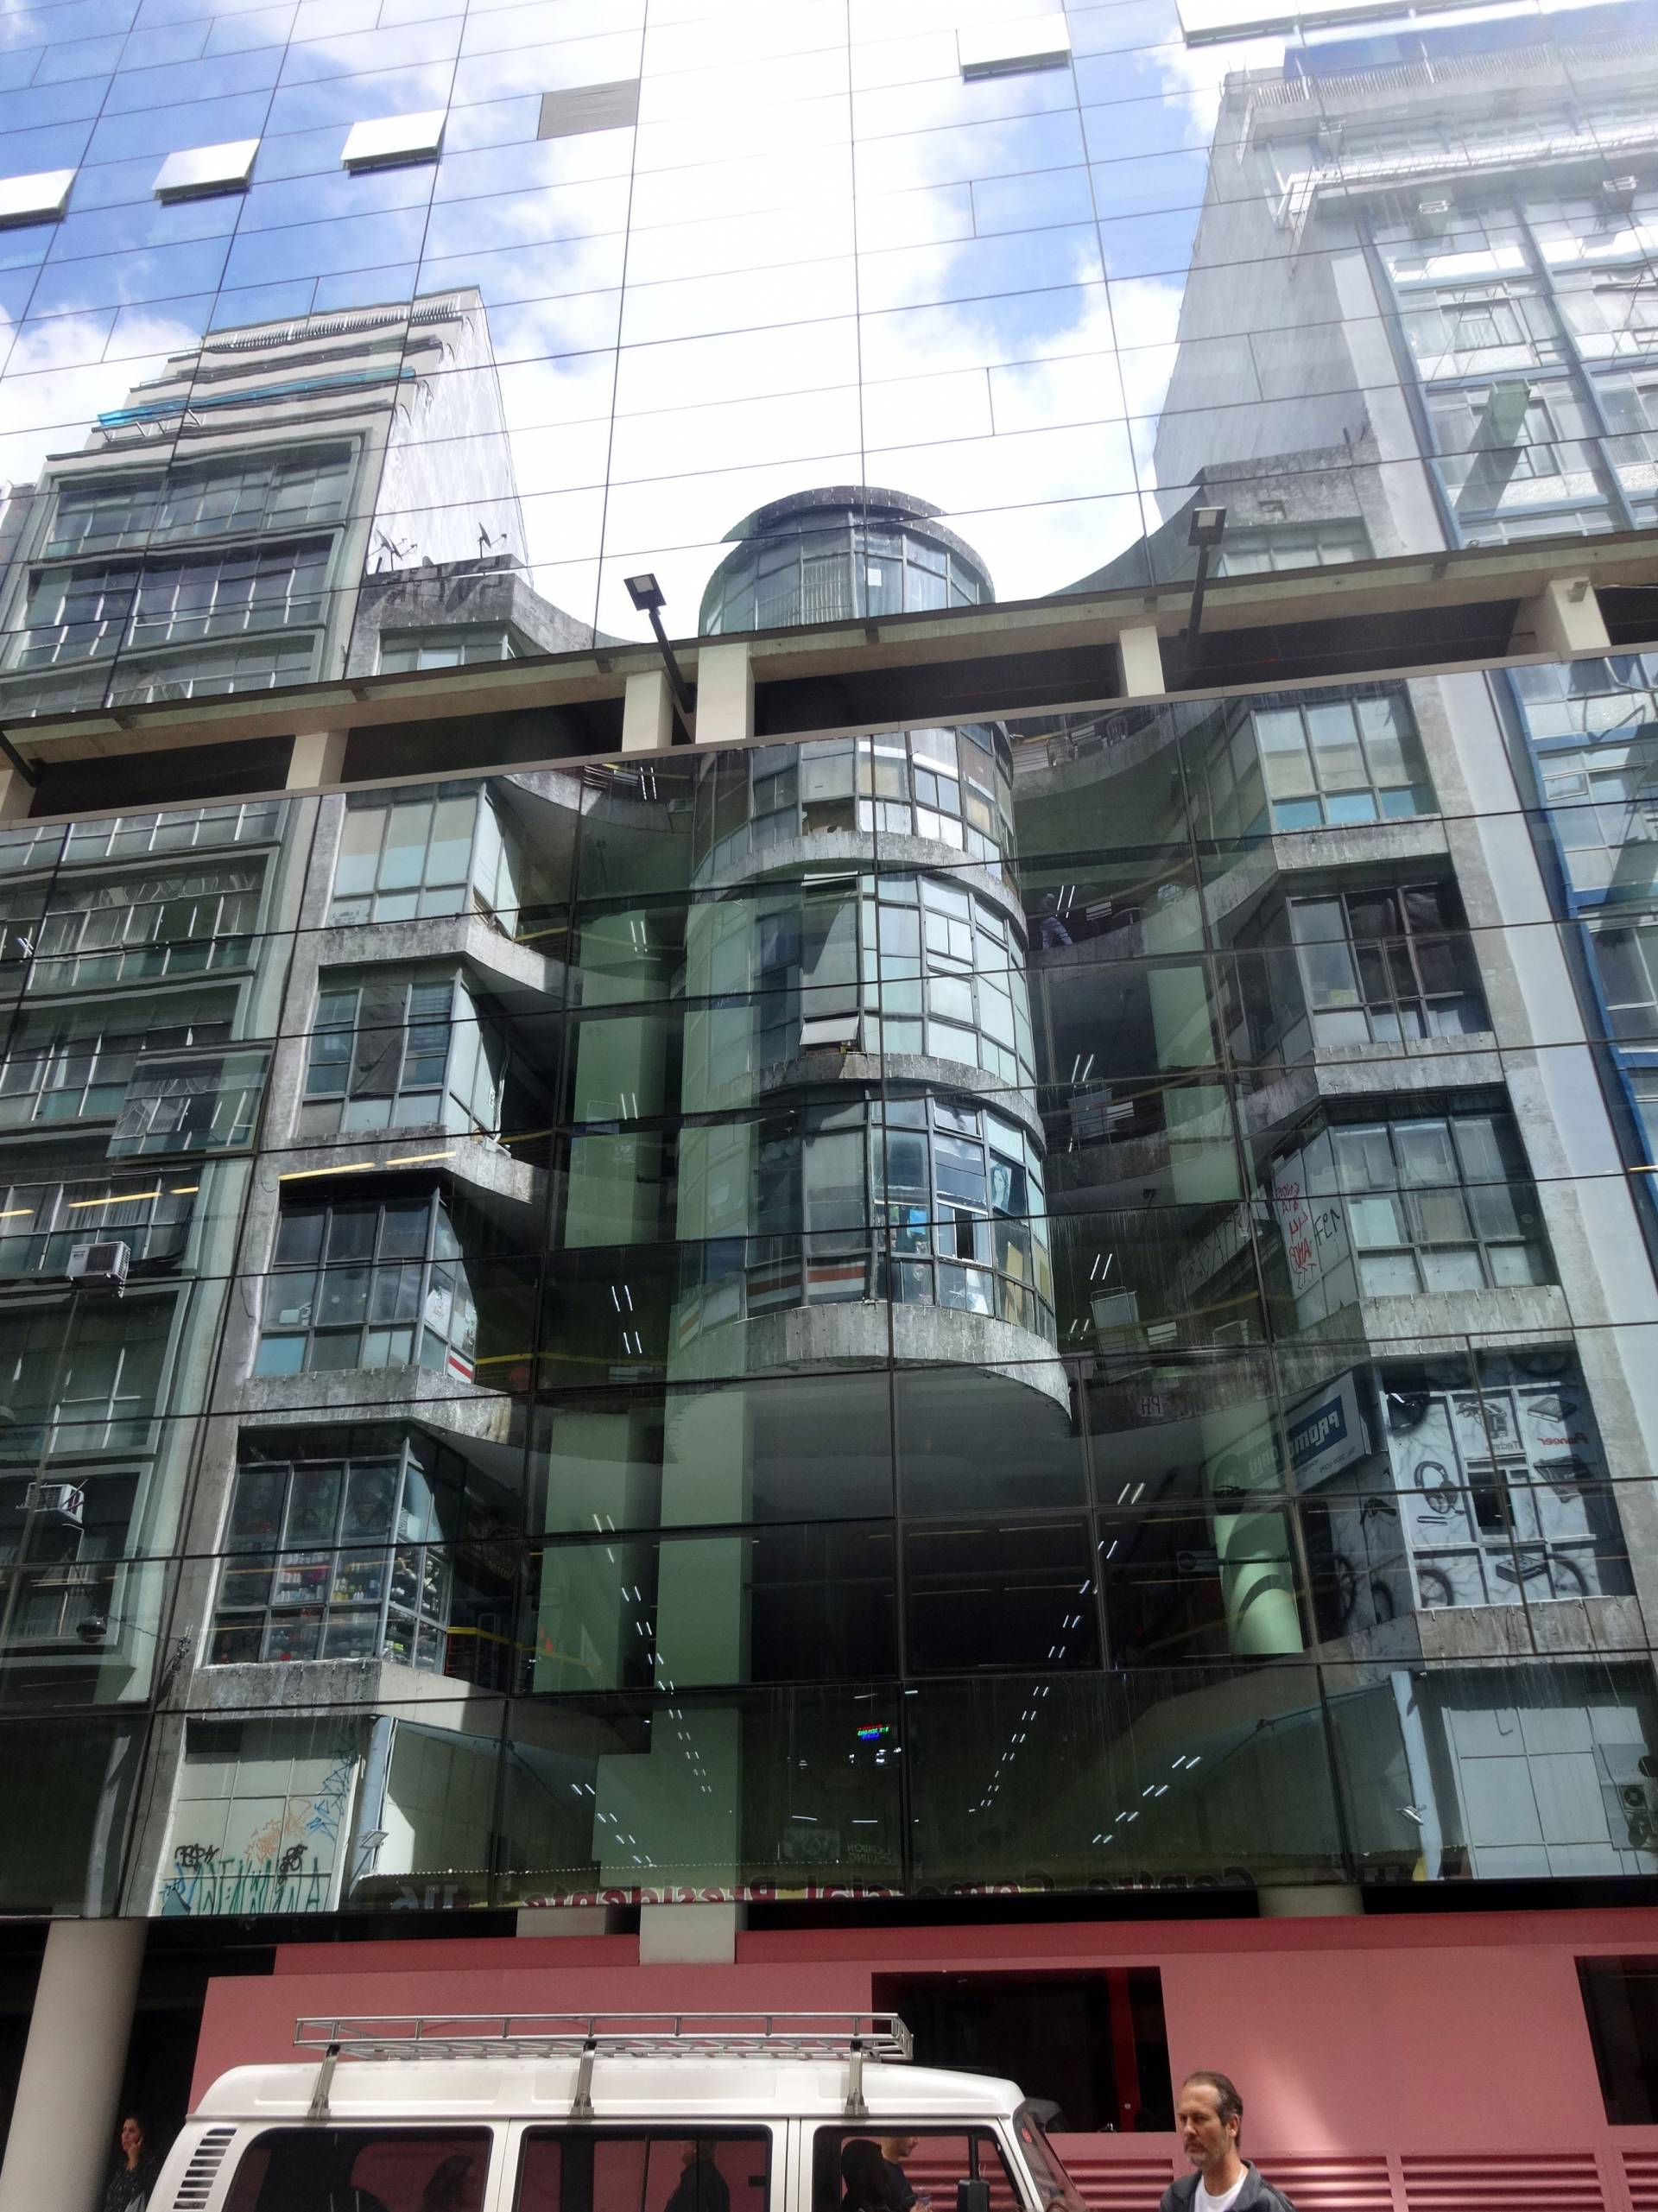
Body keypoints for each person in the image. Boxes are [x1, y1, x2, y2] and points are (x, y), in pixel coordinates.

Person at [1156, 2073, 1297, 2212]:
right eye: (1183, 2119)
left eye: (1200, 2118)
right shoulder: (1176, 2199)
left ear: (1232, 2125)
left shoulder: (1268, 2206)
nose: (1188, 2129)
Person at [103, 2114, 161, 2212]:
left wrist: (134, 2161)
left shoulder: (150, 2164)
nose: (125, 2135)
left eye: (131, 2131)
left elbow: (135, 2197)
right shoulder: (122, 2163)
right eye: (124, 2130)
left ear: (142, 2136)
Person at [666, 2141, 731, 2212]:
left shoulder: (697, 2179)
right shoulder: (713, 2176)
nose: (680, 2143)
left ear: (697, 2146)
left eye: (686, 2138)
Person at [878, 2135, 923, 2211]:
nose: (916, 2141)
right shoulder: (877, 2174)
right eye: (911, 2134)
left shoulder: (894, 2167)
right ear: (892, 2134)